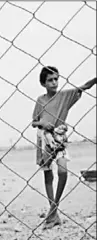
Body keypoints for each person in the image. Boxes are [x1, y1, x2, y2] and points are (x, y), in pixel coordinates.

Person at [32, 66, 96, 230]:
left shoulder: (64, 96)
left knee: (62, 171)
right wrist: (43, 123)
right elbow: (34, 122)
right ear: (43, 83)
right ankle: (54, 215)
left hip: (59, 138)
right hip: (44, 138)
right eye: (50, 80)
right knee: (48, 175)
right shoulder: (41, 100)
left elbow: (84, 87)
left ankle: (53, 209)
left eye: (56, 79)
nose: (54, 83)